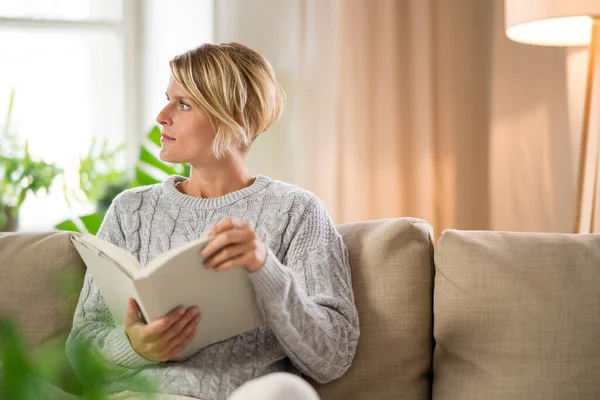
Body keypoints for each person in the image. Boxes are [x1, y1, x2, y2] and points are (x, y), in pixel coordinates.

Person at [66, 42, 360, 400]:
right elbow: (79, 350)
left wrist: (265, 269)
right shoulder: (131, 210)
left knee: (287, 391)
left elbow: (334, 356)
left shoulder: (298, 212)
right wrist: (135, 346)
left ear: (233, 118)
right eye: (168, 98)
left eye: (184, 104)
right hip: (141, 396)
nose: (161, 115)